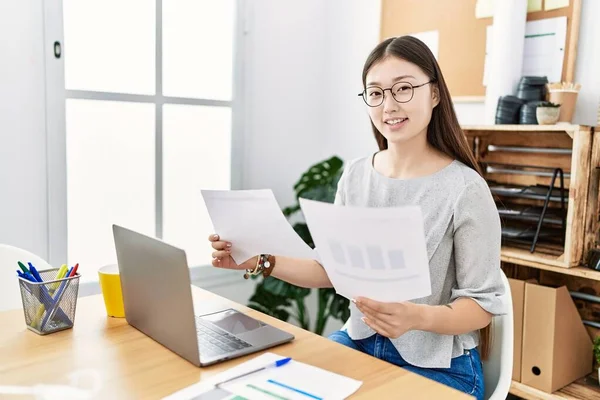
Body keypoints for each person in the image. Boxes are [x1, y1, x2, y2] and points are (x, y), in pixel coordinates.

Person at [208, 36, 506, 400]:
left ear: (435, 94)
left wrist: (417, 318)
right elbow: (330, 268)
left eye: (404, 89)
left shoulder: (465, 188)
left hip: (440, 367)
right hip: (360, 343)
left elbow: (481, 307)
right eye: (376, 93)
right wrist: (258, 260)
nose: (389, 105)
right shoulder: (356, 175)